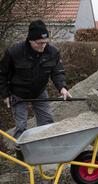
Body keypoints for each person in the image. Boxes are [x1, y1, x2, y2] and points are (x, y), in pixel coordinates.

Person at [0, 20, 72, 161]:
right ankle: (23, 158)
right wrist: (5, 94)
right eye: (39, 43)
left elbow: (57, 72)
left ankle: (44, 153)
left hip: (39, 92)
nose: (43, 46)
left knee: (47, 122)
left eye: (45, 42)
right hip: (18, 93)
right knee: (21, 126)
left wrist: (62, 87)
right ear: (30, 40)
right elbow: (2, 74)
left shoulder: (52, 52)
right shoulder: (14, 52)